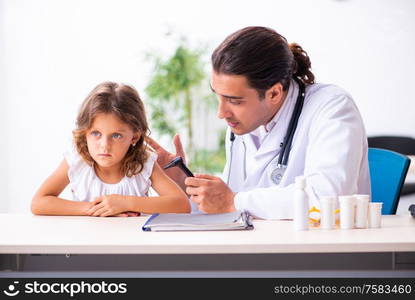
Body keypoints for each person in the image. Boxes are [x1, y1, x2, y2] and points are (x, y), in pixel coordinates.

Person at [148, 26, 371, 219]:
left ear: (274, 93)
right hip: (260, 250)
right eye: (218, 96)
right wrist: (182, 184)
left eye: (234, 100)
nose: (221, 112)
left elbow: (328, 196)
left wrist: (233, 201)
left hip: (319, 254)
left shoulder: (331, 107)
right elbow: (231, 204)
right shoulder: (241, 125)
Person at [32, 82, 190, 216]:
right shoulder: (77, 161)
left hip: (132, 245)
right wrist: (95, 208)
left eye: (116, 136)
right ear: (84, 133)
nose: (104, 145)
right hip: (86, 244)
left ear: (134, 137)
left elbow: (181, 205)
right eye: (96, 133)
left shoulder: (143, 163)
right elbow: (39, 202)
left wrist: (125, 203)